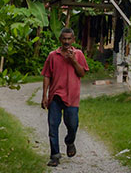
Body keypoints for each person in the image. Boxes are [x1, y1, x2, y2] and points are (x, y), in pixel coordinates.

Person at [41, 27, 89, 167]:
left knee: (73, 125)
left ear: (73, 40)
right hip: (55, 96)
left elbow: (82, 74)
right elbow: (46, 75)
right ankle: (55, 155)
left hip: (72, 96)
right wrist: (44, 95)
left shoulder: (78, 54)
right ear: (60, 40)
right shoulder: (52, 56)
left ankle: (70, 142)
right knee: (53, 127)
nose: (66, 42)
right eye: (64, 39)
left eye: (69, 39)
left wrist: (73, 60)